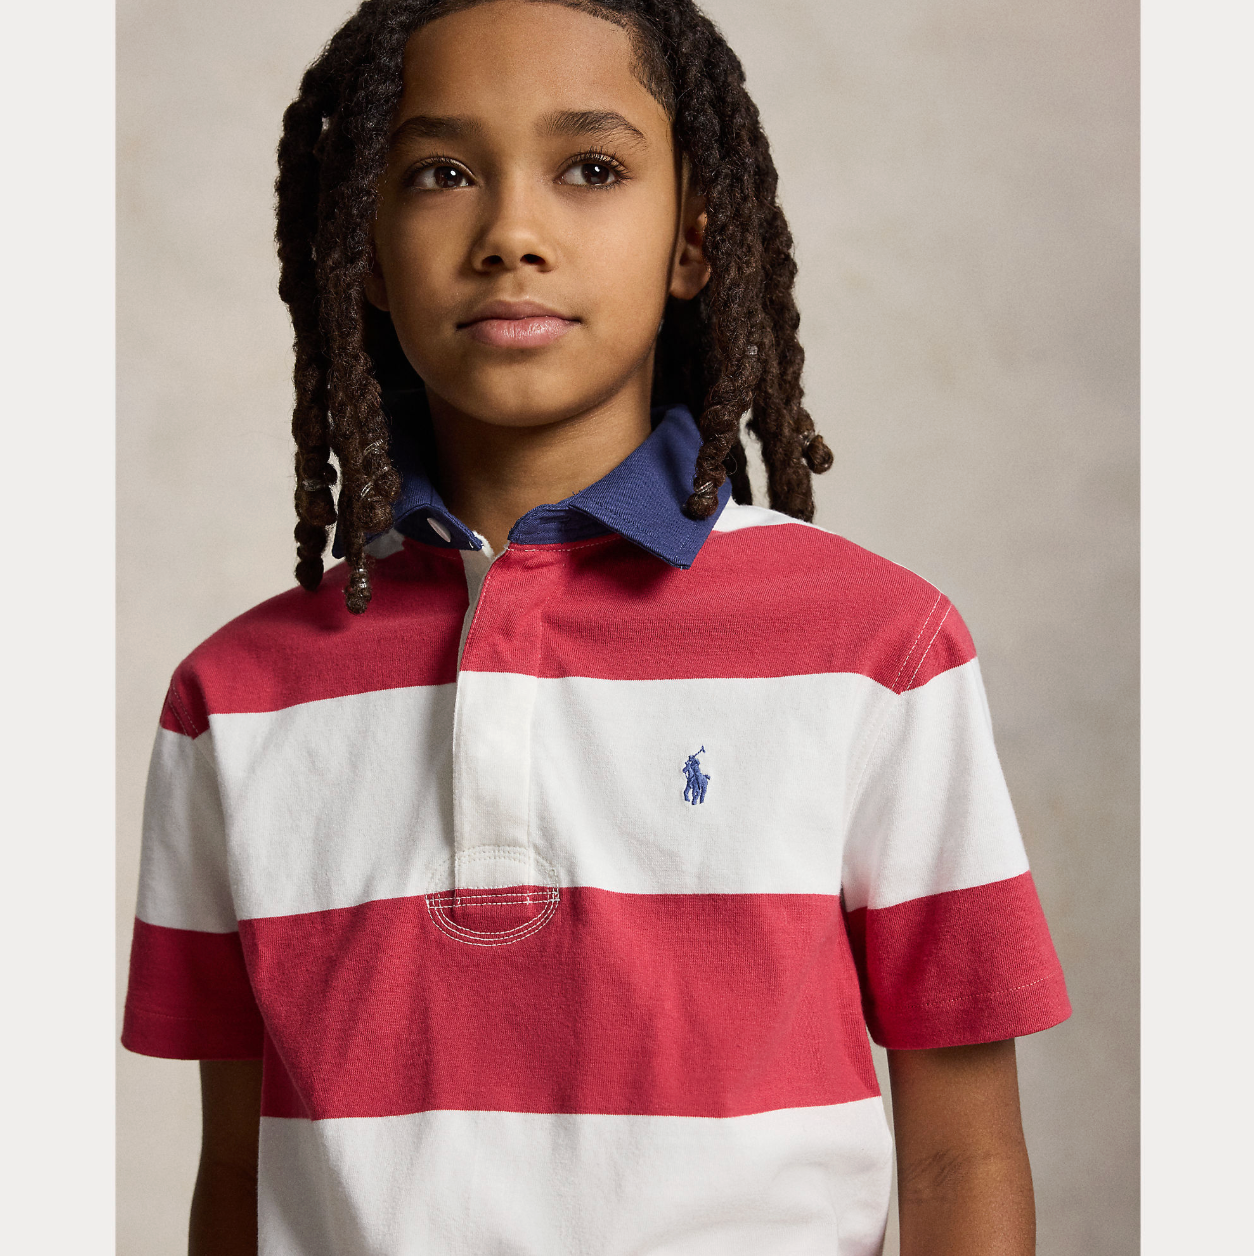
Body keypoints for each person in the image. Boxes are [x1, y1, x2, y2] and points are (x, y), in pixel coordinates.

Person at [121, 1, 1071, 1252]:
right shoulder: (234, 697)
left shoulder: (879, 650)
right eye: (441, 173)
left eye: (592, 168)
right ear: (363, 248)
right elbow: (239, 1172)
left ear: (694, 238)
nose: (512, 234)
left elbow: (963, 1155)